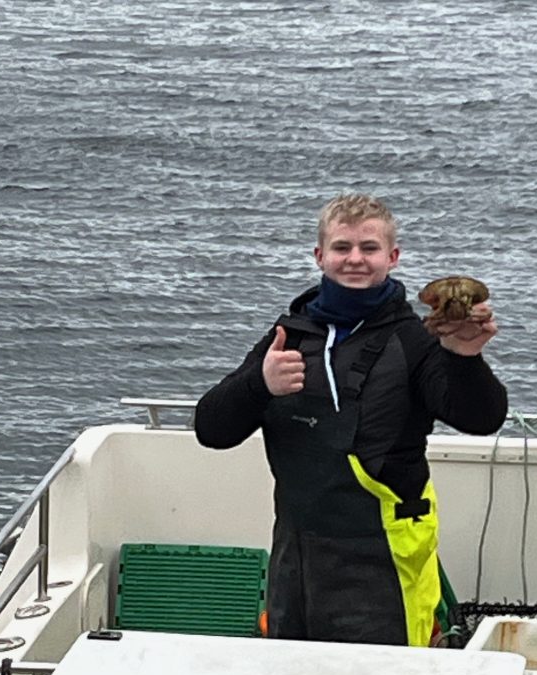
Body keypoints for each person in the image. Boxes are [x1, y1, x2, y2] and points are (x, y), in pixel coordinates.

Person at [194, 193, 507, 646]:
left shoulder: (414, 341)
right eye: (342, 248)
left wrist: (464, 358)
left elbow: (481, 418)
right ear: (320, 256)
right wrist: (259, 385)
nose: (355, 259)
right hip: (294, 551)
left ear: (392, 258)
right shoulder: (288, 337)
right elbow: (211, 429)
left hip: (384, 552)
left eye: (369, 248)